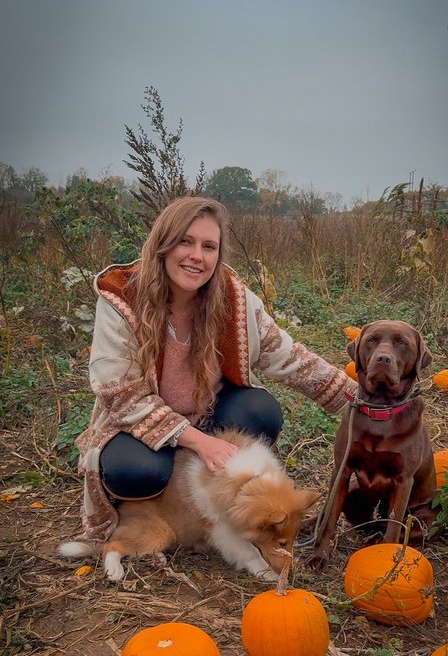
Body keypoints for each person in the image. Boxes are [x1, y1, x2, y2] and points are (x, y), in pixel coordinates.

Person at [76, 196, 357, 541]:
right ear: (163, 244)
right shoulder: (123, 298)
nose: (197, 256)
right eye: (185, 241)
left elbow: (290, 357)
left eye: (209, 246)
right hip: (138, 431)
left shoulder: (230, 299)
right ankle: (145, 512)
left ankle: (213, 505)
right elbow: (120, 394)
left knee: (259, 410)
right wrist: (199, 443)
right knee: (138, 471)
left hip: (205, 416)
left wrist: (362, 401)